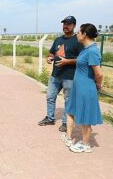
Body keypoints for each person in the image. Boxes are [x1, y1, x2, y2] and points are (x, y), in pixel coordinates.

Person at [61, 23, 103, 153]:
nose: (77, 34)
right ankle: (69, 137)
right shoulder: (85, 49)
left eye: (79, 32)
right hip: (78, 87)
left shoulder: (92, 51)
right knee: (70, 110)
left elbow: (99, 73)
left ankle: (85, 144)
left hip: (86, 89)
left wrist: (98, 84)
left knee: (85, 117)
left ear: (84, 34)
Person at [38, 16, 83, 132]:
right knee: (50, 97)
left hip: (70, 77)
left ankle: (65, 122)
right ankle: (50, 118)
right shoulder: (58, 40)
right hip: (55, 75)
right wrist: (49, 58)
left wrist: (68, 61)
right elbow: (52, 53)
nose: (65, 26)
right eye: (64, 24)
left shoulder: (78, 40)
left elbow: (82, 59)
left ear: (74, 25)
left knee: (68, 100)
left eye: (68, 24)